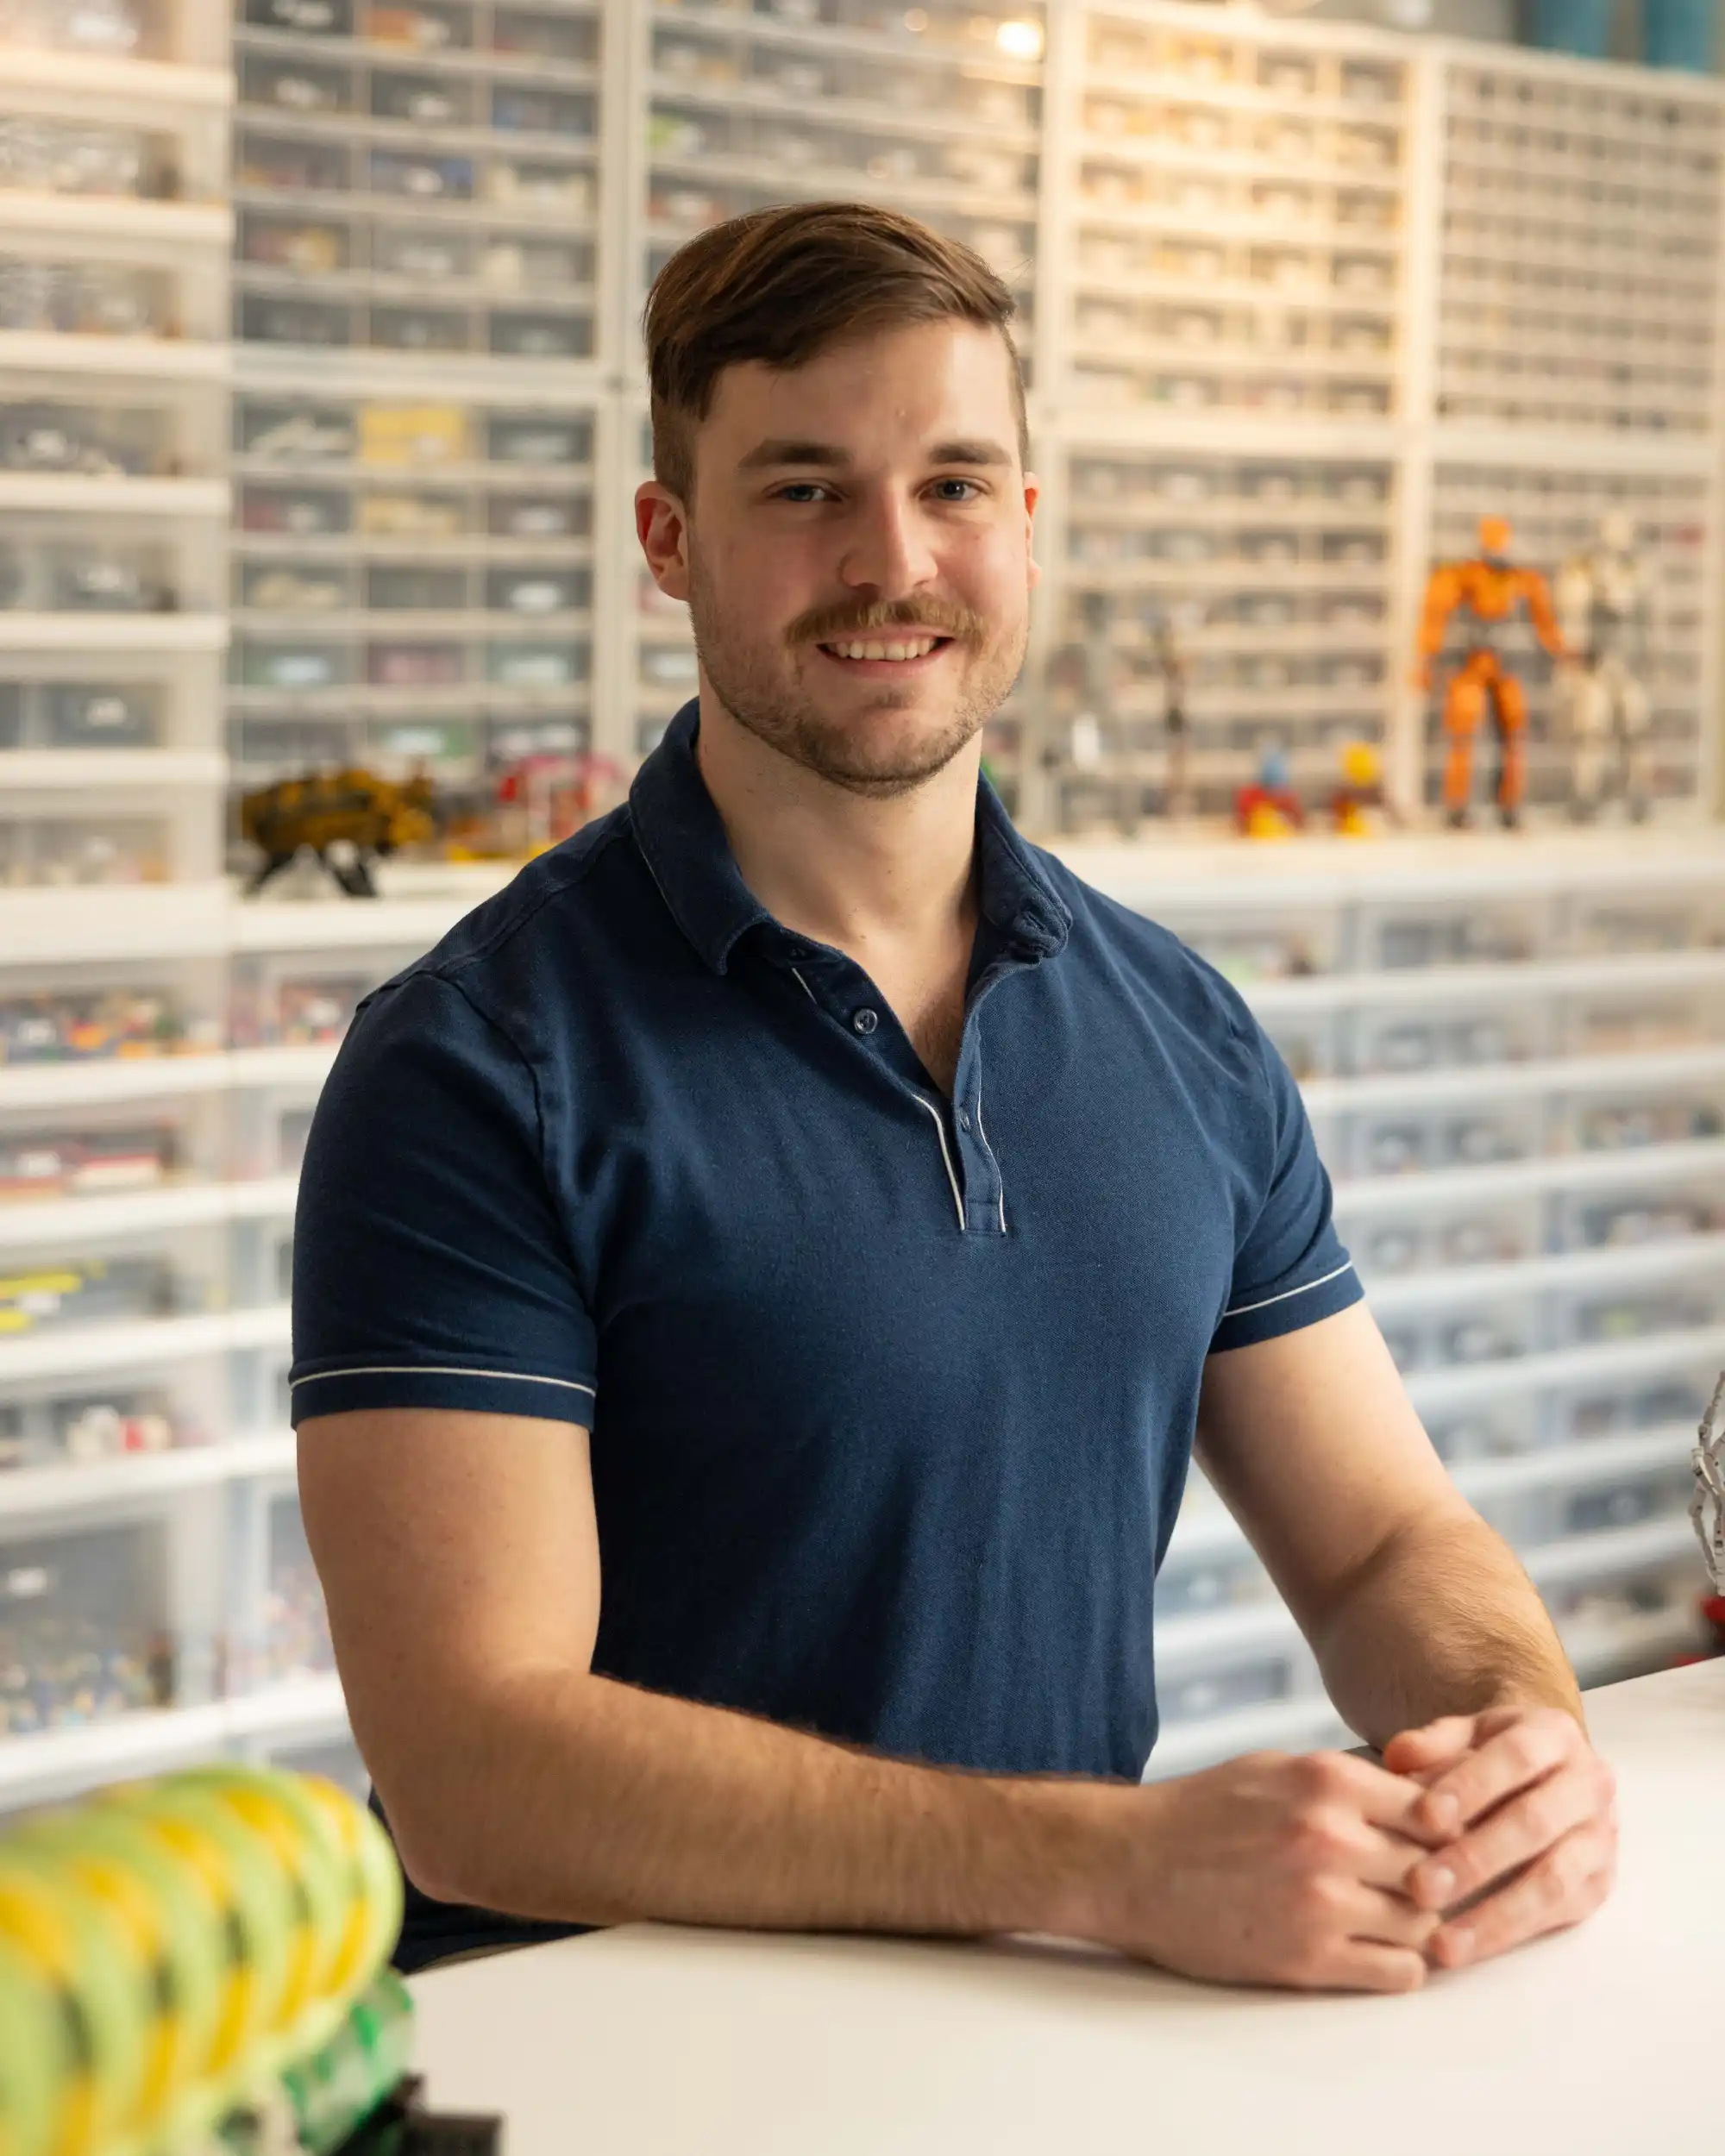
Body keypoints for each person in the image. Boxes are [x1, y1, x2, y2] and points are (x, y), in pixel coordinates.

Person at [292, 202, 1616, 1991]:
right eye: (804, 488)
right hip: (604, 2055)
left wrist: (1514, 1741)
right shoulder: (476, 1060)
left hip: (1027, 2028)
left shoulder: (1180, 1031)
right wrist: (1111, 1860)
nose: (892, 559)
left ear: (1028, 525)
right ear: (668, 541)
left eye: (956, 485)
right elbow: (470, 1764)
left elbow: (1385, 1537)